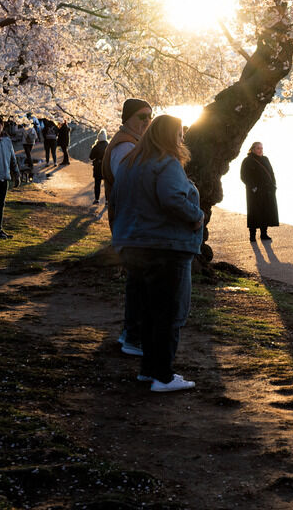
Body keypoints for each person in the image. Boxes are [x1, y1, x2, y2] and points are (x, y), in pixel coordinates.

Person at [111, 115, 203, 393]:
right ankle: (162, 375)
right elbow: (172, 197)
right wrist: (196, 216)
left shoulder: (129, 164)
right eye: (179, 134)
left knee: (149, 312)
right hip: (165, 246)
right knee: (169, 312)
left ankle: (149, 370)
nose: (181, 140)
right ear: (168, 136)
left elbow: (116, 202)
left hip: (134, 245)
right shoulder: (167, 162)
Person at [102, 98, 153, 357]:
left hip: (130, 221)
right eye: (142, 116)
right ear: (128, 118)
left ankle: (130, 334)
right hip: (131, 222)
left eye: (150, 116)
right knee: (139, 281)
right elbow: (130, 186)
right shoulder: (124, 147)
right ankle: (133, 337)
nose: (147, 121)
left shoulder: (130, 143)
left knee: (138, 281)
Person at [240, 141, 279, 242]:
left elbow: (272, 173)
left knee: (266, 212)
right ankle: (252, 236)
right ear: (252, 149)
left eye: (261, 148)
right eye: (258, 148)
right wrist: (253, 187)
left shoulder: (265, 159)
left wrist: (274, 185)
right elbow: (243, 176)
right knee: (254, 213)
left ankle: (264, 234)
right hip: (254, 192)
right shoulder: (247, 161)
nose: (260, 150)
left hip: (267, 191)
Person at [88, 130, 109, 204]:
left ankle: (97, 199)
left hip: (97, 166)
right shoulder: (109, 145)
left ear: (99, 138)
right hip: (106, 166)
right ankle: (107, 200)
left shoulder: (96, 146)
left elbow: (91, 157)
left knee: (97, 183)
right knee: (107, 184)